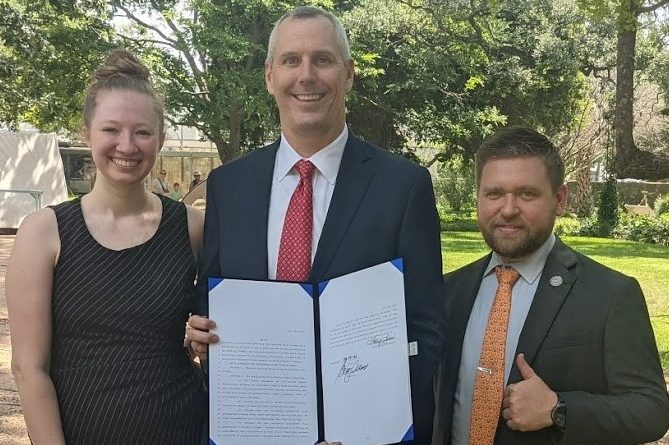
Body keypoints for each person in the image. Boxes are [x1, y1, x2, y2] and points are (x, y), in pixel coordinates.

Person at [187, 6, 445, 444]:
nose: (306, 76)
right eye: (291, 60)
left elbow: (425, 327)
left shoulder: (403, 187)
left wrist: (371, 425)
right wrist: (198, 332)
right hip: (256, 428)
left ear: (348, 74)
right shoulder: (229, 187)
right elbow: (209, 301)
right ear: (270, 76)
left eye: (322, 60)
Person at [6, 49, 206, 444]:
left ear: (161, 139)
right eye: (111, 129)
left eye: (143, 132)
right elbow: (29, 370)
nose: (127, 146)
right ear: (88, 133)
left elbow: (226, 326)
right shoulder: (44, 233)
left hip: (185, 428)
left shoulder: (193, 227)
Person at [432, 126, 669, 445]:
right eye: (494, 193)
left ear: (559, 199)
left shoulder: (610, 295)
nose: (508, 209)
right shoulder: (448, 292)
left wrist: (558, 408)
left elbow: (651, 411)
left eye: (526, 193)